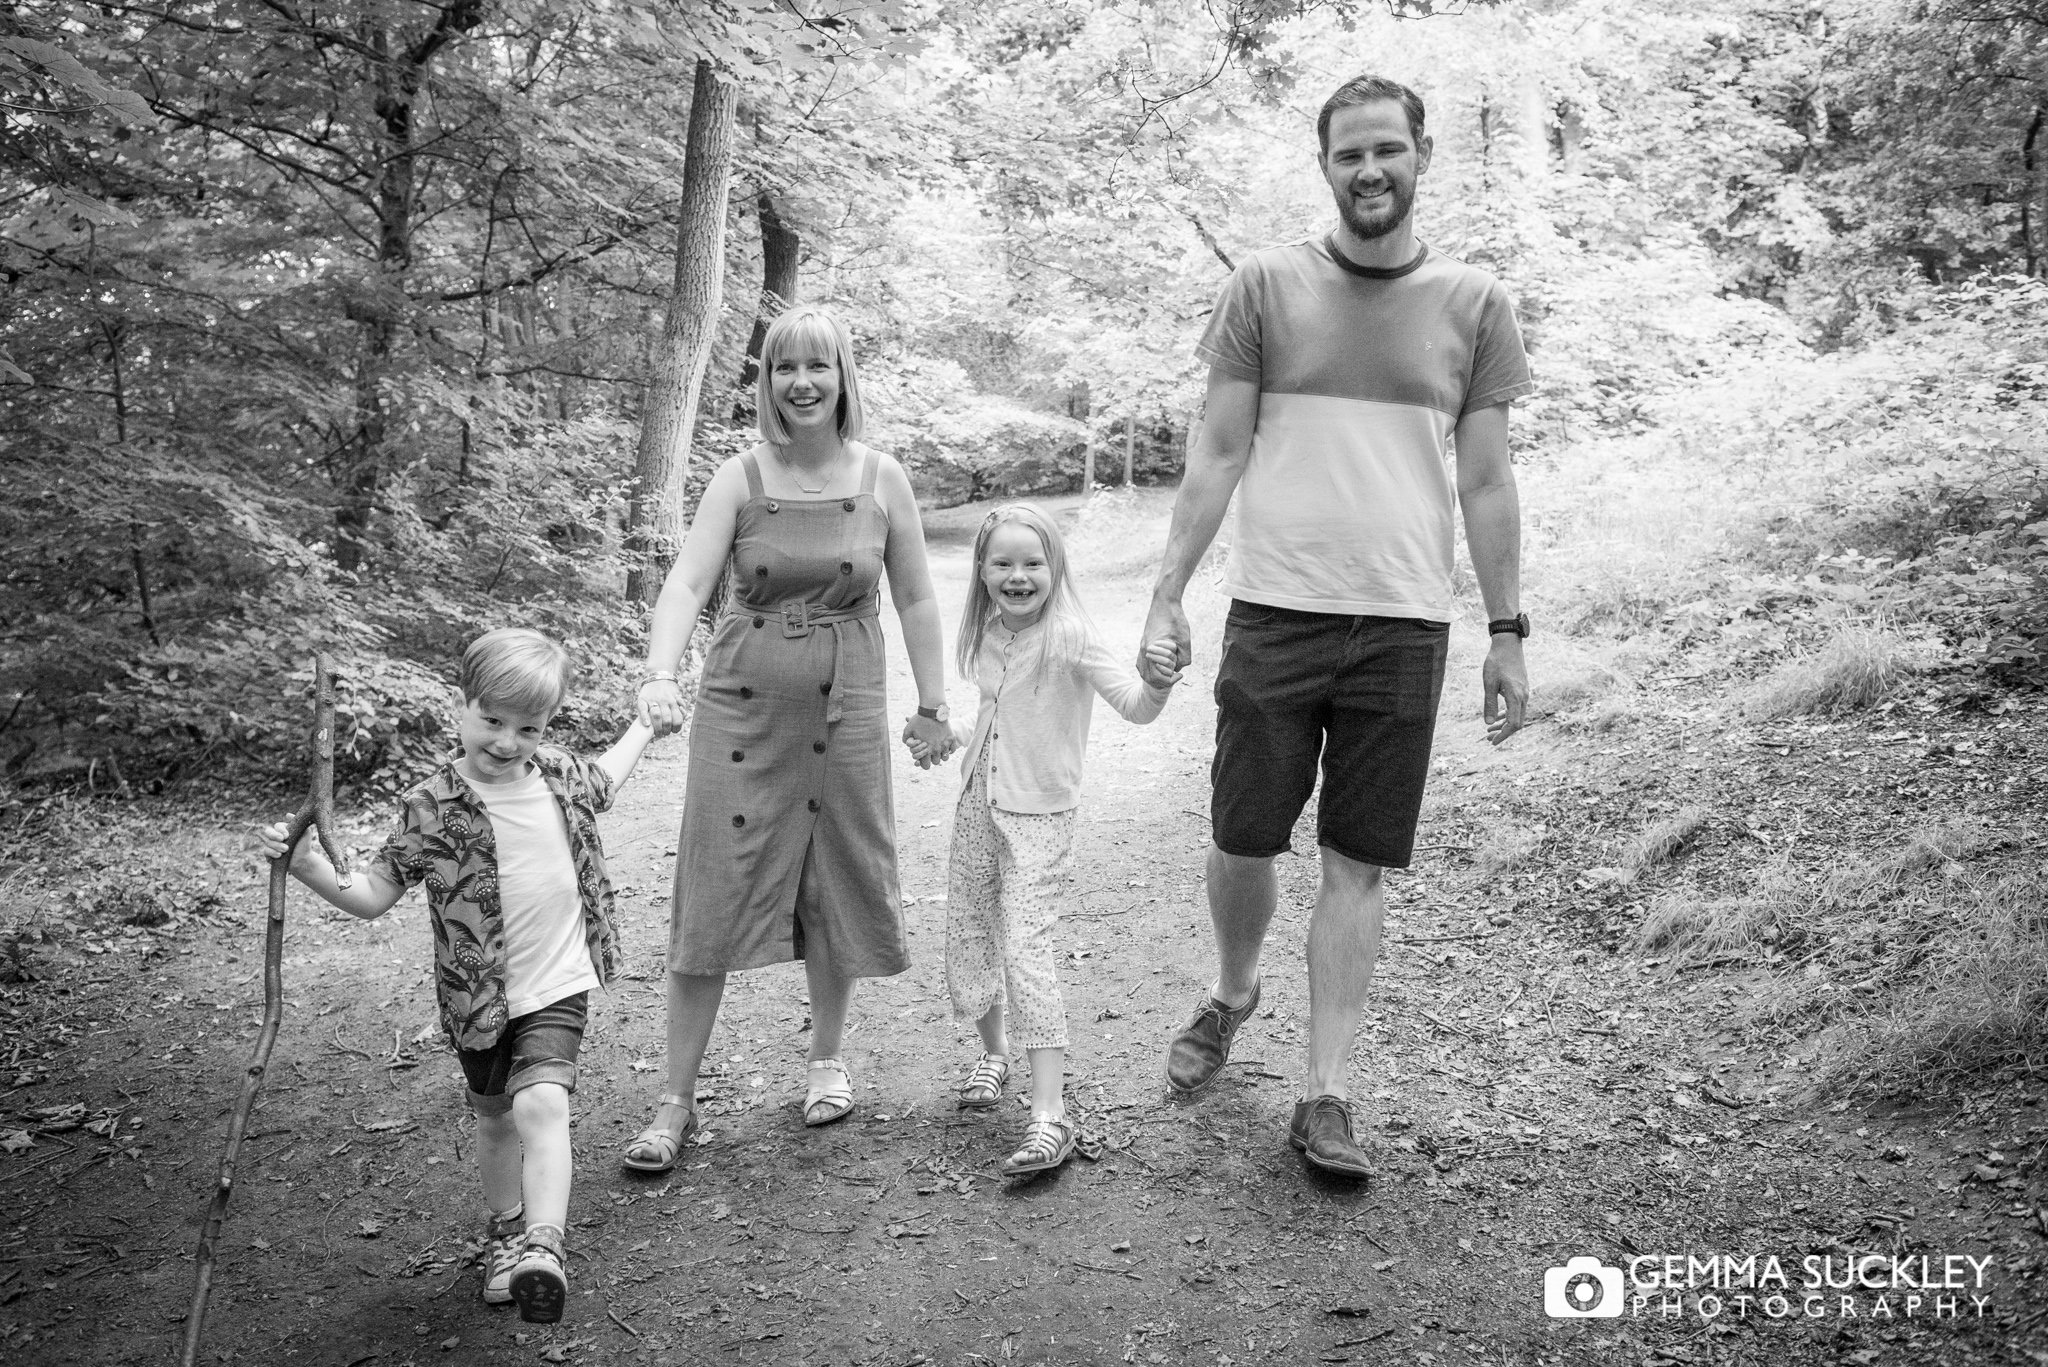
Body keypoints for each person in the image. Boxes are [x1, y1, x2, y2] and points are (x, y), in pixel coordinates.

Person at [1141, 74, 1535, 1180]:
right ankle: (1231, 988)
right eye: (1348, 154)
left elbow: (1488, 480)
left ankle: (1324, 1090)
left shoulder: (1472, 302)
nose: (1369, 171)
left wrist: (1505, 628)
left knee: (1356, 863)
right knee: (1240, 841)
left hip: (1403, 627)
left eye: (1387, 151)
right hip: (1274, 611)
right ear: (1324, 165)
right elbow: (1215, 452)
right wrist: (1167, 587)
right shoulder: (1265, 286)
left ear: (1421, 156)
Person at [625, 304, 956, 1173]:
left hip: (846, 699)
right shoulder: (740, 476)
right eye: (783, 368)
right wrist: (660, 671)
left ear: (845, 377)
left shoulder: (883, 478)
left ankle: (827, 1059)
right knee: (713, 884)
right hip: (741, 703)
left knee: (834, 874)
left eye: (818, 367)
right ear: (766, 381)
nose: (801, 383)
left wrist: (933, 702)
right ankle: (674, 1100)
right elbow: (688, 581)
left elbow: (917, 598)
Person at [258, 628, 654, 1322]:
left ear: (547, 725)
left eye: (528, 727)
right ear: (462, 706)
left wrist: (645, 724)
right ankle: (506, 1232)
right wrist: (302, 863)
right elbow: (374, 893)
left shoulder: (559, 773)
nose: (507, 740)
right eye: (492, 720)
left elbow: (608, 776)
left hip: (557, 984)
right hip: (478, 1001)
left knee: (542, 1105)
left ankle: (544, 1245)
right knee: (497, 1119)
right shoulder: (429, 804)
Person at [908, 504, 1181, 1176]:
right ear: (982, 570)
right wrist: (944, 741)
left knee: (1026, 949)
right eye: (1002, 562)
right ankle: (995, 1053)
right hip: (978, 802)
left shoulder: (1071, 636)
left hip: (1040, 817)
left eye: (1032, 562)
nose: (1018, 575)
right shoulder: (988, 634)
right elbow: (995, 718)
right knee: (970, 934)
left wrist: (1158, 680)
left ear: (1055, 568)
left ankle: (1049, 1115)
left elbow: (1137, 707)